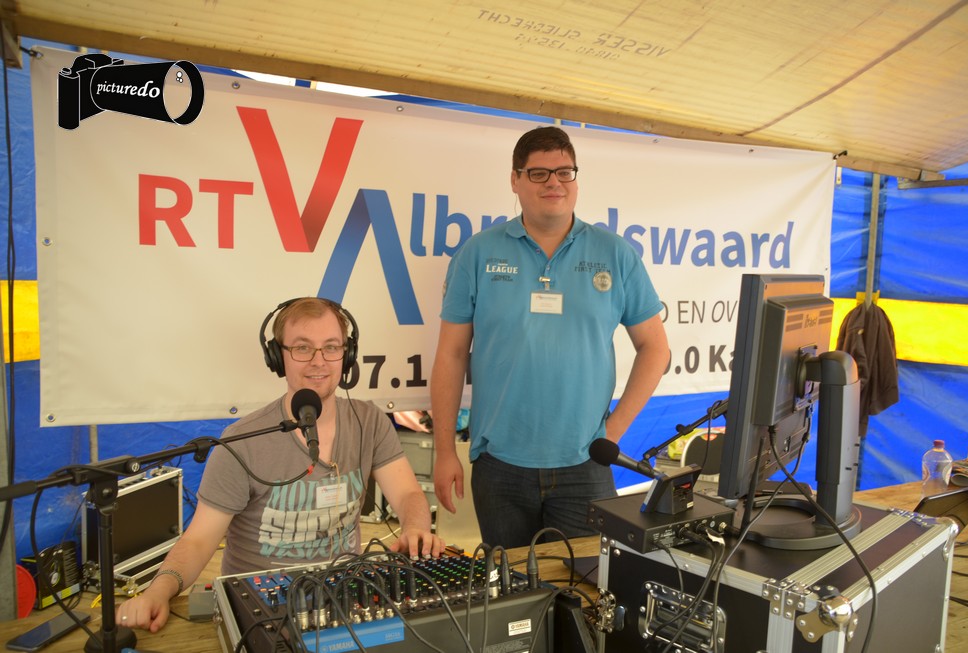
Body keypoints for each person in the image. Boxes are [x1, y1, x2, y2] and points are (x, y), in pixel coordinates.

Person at [117, 297, 444, 633]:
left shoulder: (369, 421)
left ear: (347, 354)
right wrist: (158, 591)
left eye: (331, 347)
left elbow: (407, 494)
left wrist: (415, 528)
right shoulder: (242, 440)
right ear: (277, 357)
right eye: (302, 348)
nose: (319, 361)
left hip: (343, 604)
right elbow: (198, 541)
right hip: (260, 614)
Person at [431, 125, 670, 549]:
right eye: (539, 173)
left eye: (564, 172)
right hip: (499, 465)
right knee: (511, 587)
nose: (554, 183)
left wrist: (612, 433)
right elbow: (451, 354)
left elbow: (655, 348)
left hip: (585, 464)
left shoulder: (615, 254)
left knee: (584, 585)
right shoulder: (478, 253)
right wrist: (445, 450)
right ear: (515, 180)